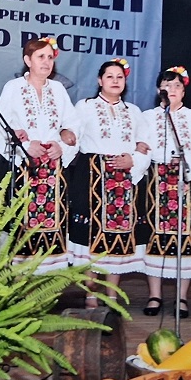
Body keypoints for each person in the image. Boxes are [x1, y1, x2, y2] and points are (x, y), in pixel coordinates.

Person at [0, 36, 79, 271]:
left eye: (50, 57)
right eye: (41, 57)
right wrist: (25, 146)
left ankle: (46, 283)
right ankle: (14, 283)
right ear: (27, 60)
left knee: (52, 226)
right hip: (22, 169)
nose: (46, 62)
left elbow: (73, 126)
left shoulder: (58, 89)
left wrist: (62, 146)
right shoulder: (14, 87)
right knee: (18, 227)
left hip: (52, 171)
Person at [71, 58, 151, 308]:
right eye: (110, 76)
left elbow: (145, 146)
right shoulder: (85, 106)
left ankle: (113, 295)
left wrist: (133, 159)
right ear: (99, 80)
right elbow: (72, 135)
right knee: (92, 236)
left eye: (120, 77)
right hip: (93, 176)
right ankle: (90, 294)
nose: (115, 81)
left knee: (119, 236)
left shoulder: (134, 112)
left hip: (123, 181)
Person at [139, 66, 191, 319]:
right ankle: (155, 295)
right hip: (156, 182)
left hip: (185, 182)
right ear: (158, 90)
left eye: (177, 86)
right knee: (154, 235)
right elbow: (142, 146)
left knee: (186, 237)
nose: (171, 89)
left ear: (184, 91)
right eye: (167, 85)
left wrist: (189, 157)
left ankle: (181, 297)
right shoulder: (148, 117)